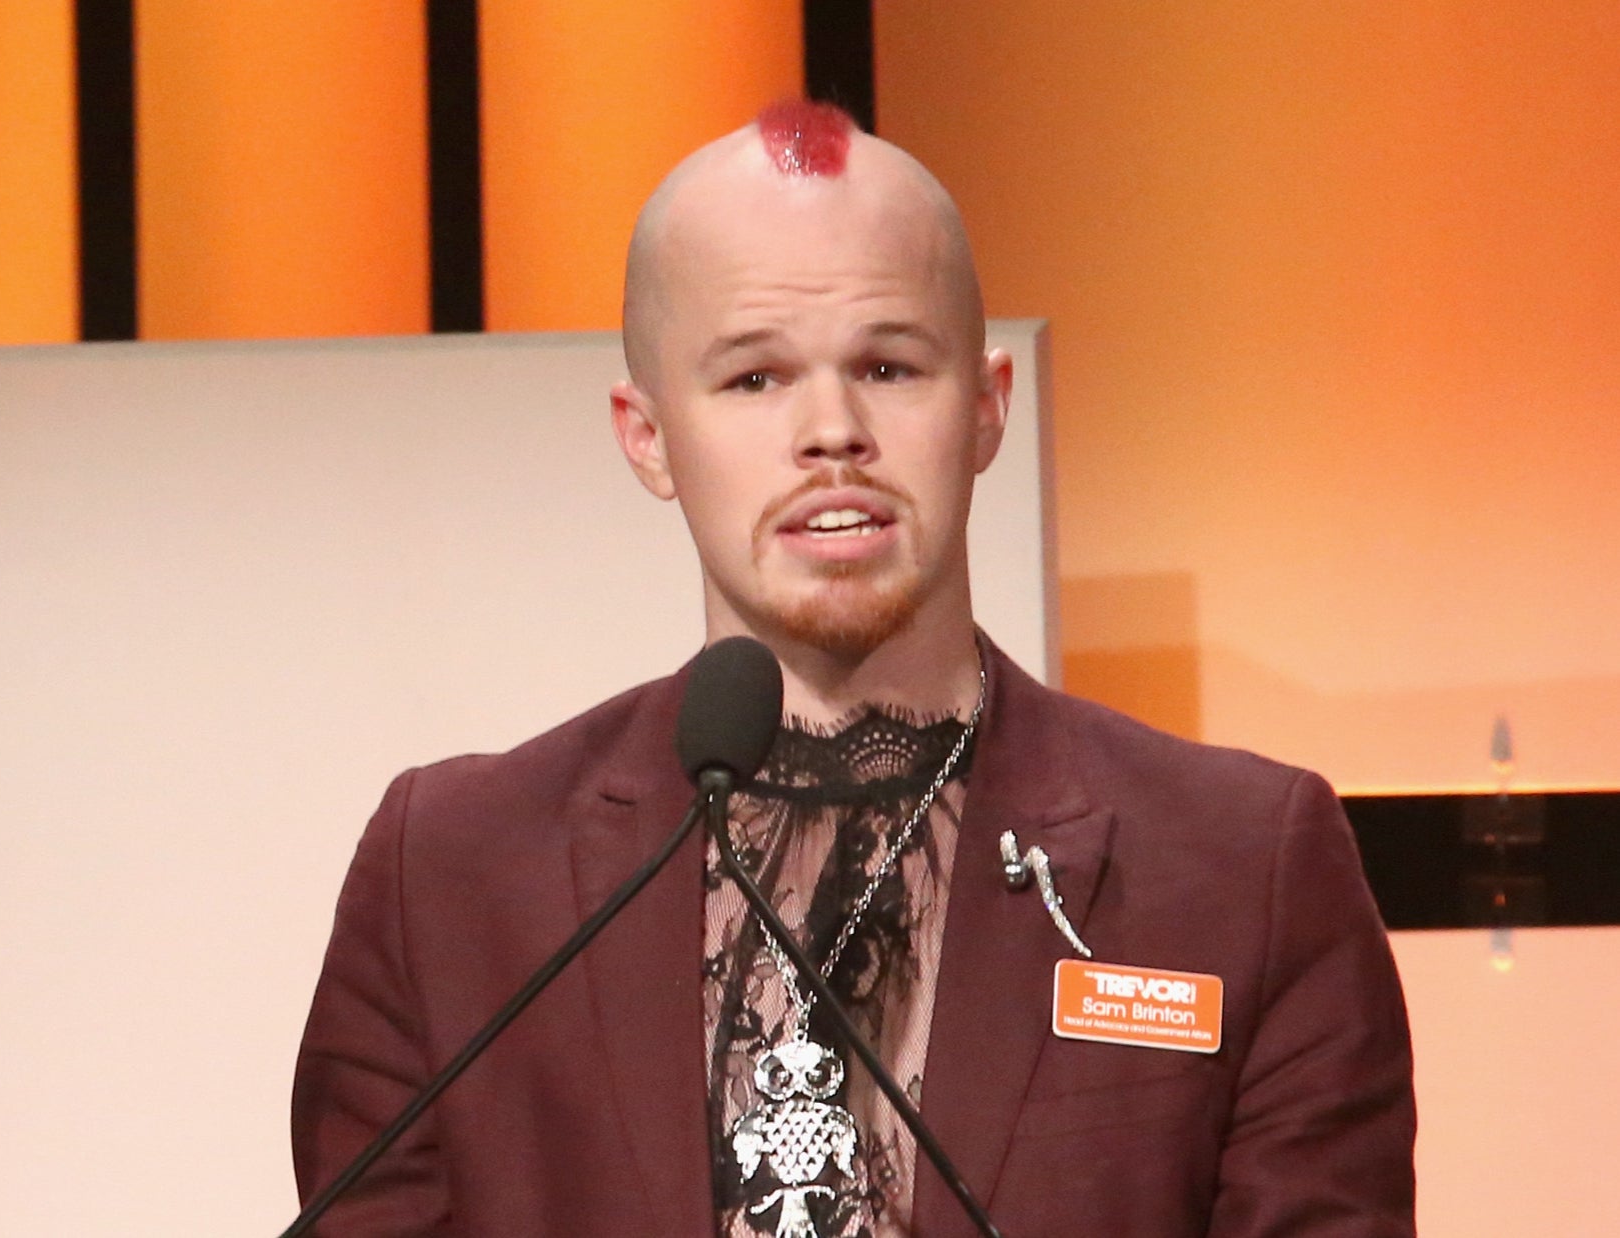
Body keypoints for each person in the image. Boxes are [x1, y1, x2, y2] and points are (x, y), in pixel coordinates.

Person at [292, 100, 1415, 1237]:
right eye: (753, 379)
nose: (831, 429)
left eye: (887, 364)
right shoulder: (451, 876)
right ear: (646, 436)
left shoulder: (1239, 866)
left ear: (984, 407)